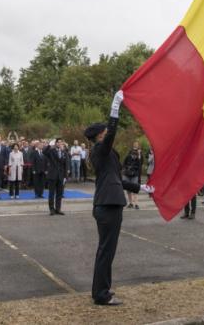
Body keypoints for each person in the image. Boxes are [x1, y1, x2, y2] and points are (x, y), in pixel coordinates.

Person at [85, 90, 154, 306]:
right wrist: (115, 108)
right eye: (106, 132)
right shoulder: (99, 150)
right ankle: (101, 294)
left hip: (109, 203)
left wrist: (141, 187)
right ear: (100, 136)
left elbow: (117, 179)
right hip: (108, 205)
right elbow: (112, 133)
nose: (108, 134)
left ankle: (101, 290)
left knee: (106, 250)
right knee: (106, 250)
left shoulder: (106, 154)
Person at [44, 139, 70, 215]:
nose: (60, 143)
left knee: (59, 193)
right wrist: (49, 145)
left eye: (61, 142)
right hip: (52, 175)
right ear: (55, 144)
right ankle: (51, 209)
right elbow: (44, 152)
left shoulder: (64, 152)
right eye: (58, 142)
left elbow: (66, 164)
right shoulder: (51, 150)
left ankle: (58, 209)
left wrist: (66, 176)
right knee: (51, 193)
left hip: (61, 176)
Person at [122, 142, 142, 210]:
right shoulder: (128, 157)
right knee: (128, 189)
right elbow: (123, 164)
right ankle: (130, 203)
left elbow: (139, 166)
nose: (134, 157)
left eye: (135, 156)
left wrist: (139, 155)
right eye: (133, 155)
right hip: (127, 174)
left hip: (134, 175)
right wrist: (126, 169)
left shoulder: (138, 158)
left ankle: (136, 203)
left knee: (135, 189)